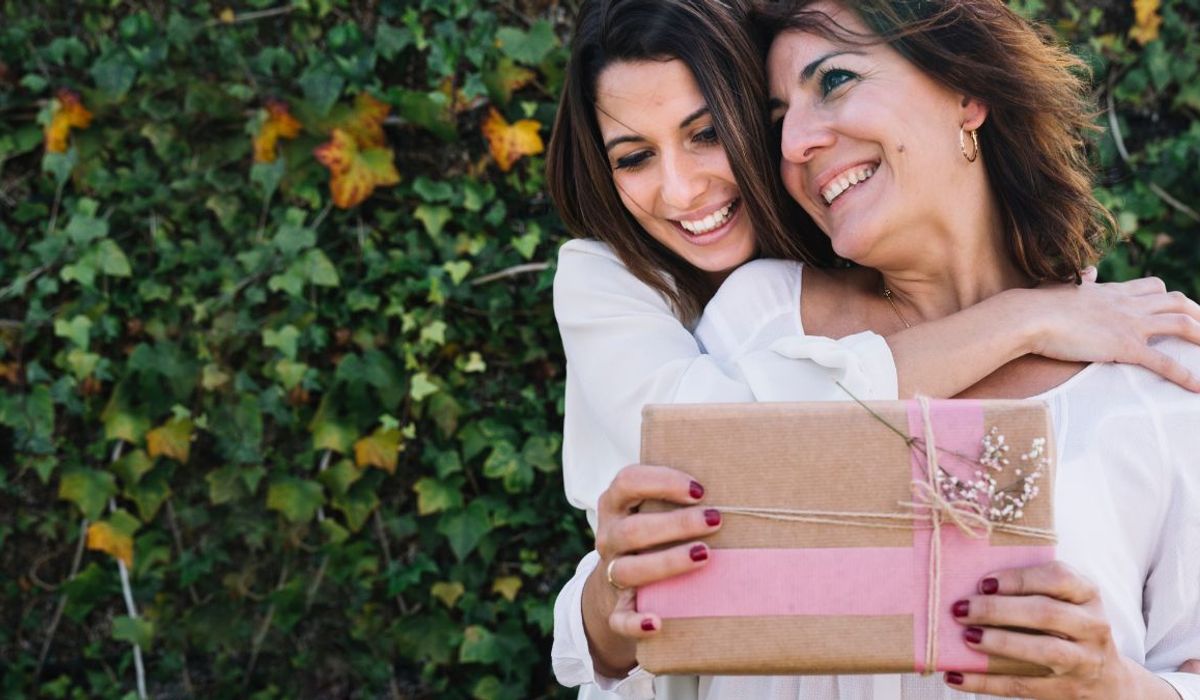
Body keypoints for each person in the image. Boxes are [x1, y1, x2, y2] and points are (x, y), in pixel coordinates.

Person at [545, 0, 1200, 697]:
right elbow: (669, 555)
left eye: (835, 81)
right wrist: (1024, 319)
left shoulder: (1157, 371)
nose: (793, 142)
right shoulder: (755, 317)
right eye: (776, 119)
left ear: (966, 90)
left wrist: (1111, 683)